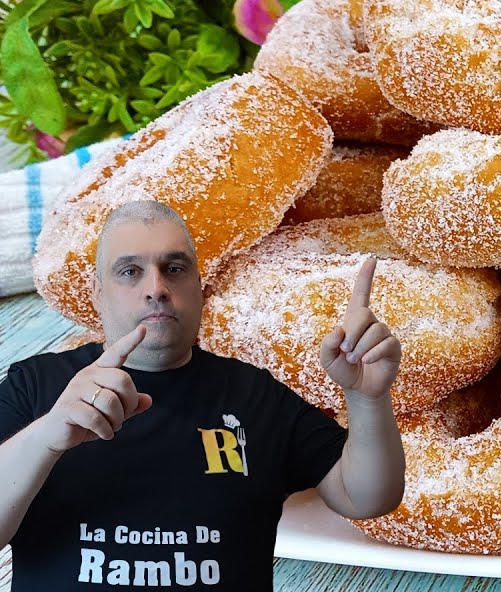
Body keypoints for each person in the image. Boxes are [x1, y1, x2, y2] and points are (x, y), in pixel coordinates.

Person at [0, 200, 405, 590]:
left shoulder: (256, 395)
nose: (156, 288)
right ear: (96, 292)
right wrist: (48, 435)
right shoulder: (36, 385)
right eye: (129, 272)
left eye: (174, 268)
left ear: (199, 285)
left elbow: (366, 497)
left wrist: (367, 398)